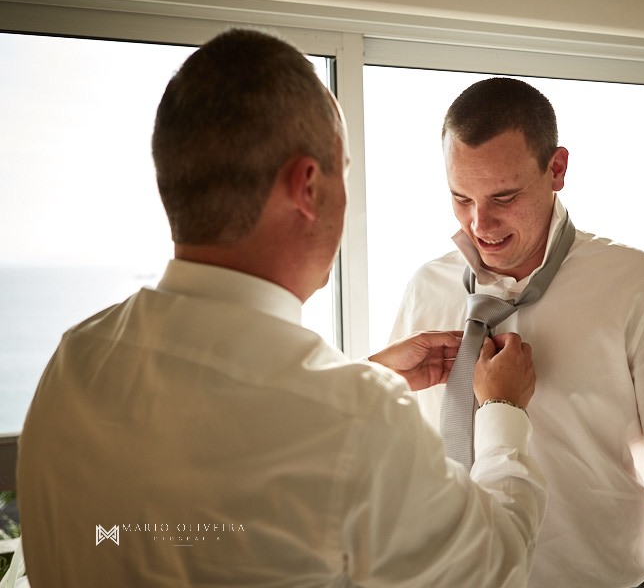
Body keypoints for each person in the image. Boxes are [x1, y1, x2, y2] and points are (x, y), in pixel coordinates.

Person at [17, 30, 546, 587]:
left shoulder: (76, 360)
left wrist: (363, 378)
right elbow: (498, 561)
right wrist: (503, 411)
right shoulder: (354, 421)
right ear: (308, 186)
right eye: (344, 170)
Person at [392, 77, 644, 587]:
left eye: (504, 196)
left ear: (556, 169)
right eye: (460, 197)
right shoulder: (425, 290)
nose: (480, 223)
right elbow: (397, 459)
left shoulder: (641, 290)